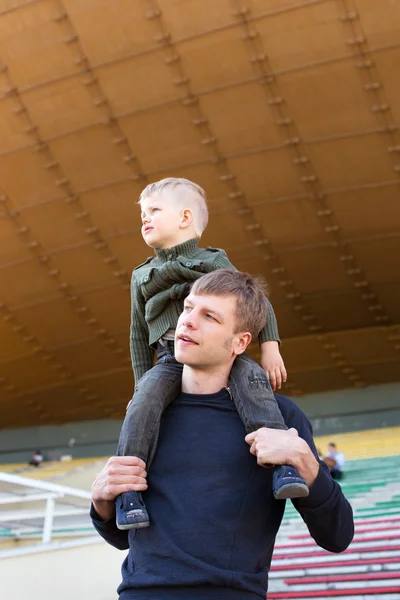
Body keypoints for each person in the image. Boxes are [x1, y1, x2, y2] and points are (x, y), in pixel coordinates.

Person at [90, 270, 354, 600]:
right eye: (188, 308)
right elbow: (125, 538)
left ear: (240, 342)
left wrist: (306, 465)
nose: (187, 322)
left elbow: (337, 535)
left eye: (209, 316)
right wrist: (102, 504)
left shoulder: (279, 419)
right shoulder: (144, 414)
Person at [116, 177, 308, 530]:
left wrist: (270, 347)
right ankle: (128, 492)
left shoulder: (214, 260)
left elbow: (256, 303)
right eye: (142, 213)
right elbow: (137, 334)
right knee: (144, 405)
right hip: (169, 356)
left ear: (186, 217)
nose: (145, 218)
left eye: (154, 210)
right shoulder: (140, 275)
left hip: (223, 354)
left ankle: (282, 466)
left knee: (253, 384)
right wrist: (140, 385)